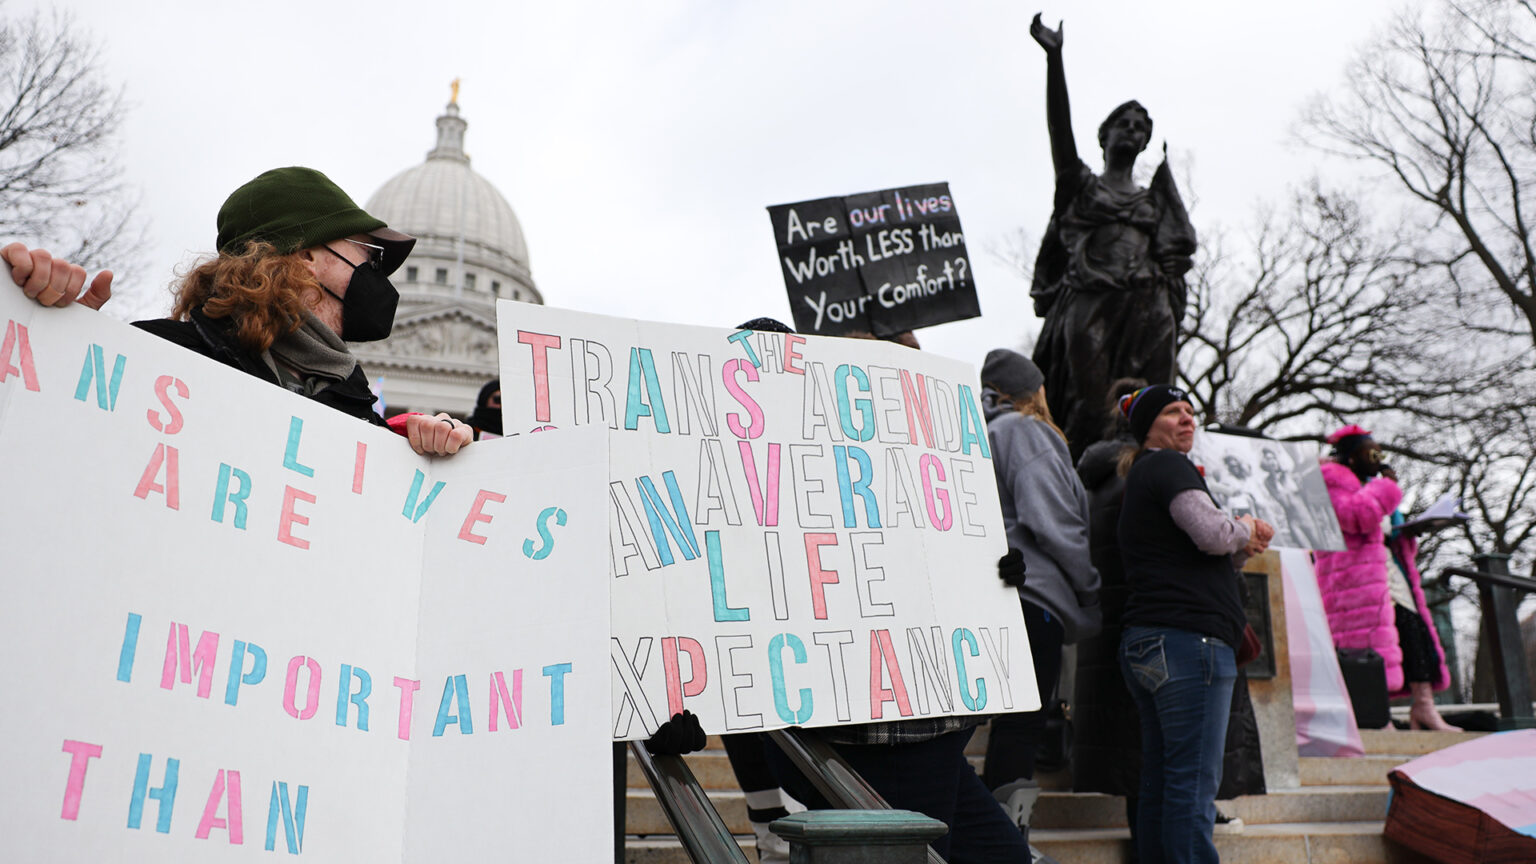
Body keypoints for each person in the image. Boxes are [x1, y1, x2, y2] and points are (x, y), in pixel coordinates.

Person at [4, 166, 471, 455]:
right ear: (305, 256)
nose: (377, 276)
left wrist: (426, 455)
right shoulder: (155, 357)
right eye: (369, 255)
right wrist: (53, 345)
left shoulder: (360, 416)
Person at [1026, 14, 1198, 462]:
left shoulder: (1151, 202)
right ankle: (1082, 480)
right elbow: (1058, 133)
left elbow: (1174, 252)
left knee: (1157, 399)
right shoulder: (1082, 186)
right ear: (1105, 134)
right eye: (1125, 123)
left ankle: (1155, 475)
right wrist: (1054, 59)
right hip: (1091, 297)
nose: (1134, 131)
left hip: (1148, 301)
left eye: (1142, 128)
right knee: (1086, 400)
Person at [1116, 385, 1273, 864]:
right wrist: (1246, 527)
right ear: (1148, 427)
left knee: (1162, 782)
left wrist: (1239, 551)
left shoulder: (1143, 477)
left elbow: (1194, 556)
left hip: (1151, 642)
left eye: (1190, 411)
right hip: (1189, 645)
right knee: (1191, 786)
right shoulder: (1168, 465)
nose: (1186, 419)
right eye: (1171, 411)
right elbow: (1210, 534)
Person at [977, 349, 1100, 840]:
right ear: (1034, 391)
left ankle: (994, 841)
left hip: (1004, 590)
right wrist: (1089, 591)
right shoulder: (1024, 430)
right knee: (1021, 726)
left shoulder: (984, 432)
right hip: (1035, 595)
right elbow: (1052, 519)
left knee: (1009, 724)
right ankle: (1005, 844)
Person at [1313, 425, 1453, 730]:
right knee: (1369, 646)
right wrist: (1388, 487)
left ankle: (1424, 707)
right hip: (1353, 579)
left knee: (1413, 633)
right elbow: (1356, 516)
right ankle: (1376, 714)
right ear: (1351, 458)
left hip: (1389, 571)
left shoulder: (1367, 484)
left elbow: (1381, 528)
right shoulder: (1330, 480)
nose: (1377, 459)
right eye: (1370, 453)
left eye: (1379, 453)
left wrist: (1409, 533)